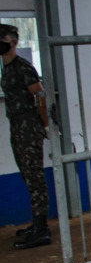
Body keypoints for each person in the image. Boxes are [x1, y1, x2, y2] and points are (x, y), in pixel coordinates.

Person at [0, 24, 52, 250]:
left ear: (12, 42)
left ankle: (42, 229)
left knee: (35, 176)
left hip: (28, 128)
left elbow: (39, 94)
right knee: (27, 175)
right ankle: (37, 223)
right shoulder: (7, 67)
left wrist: (44, 123)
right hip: (17, 127)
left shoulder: (22, 67)